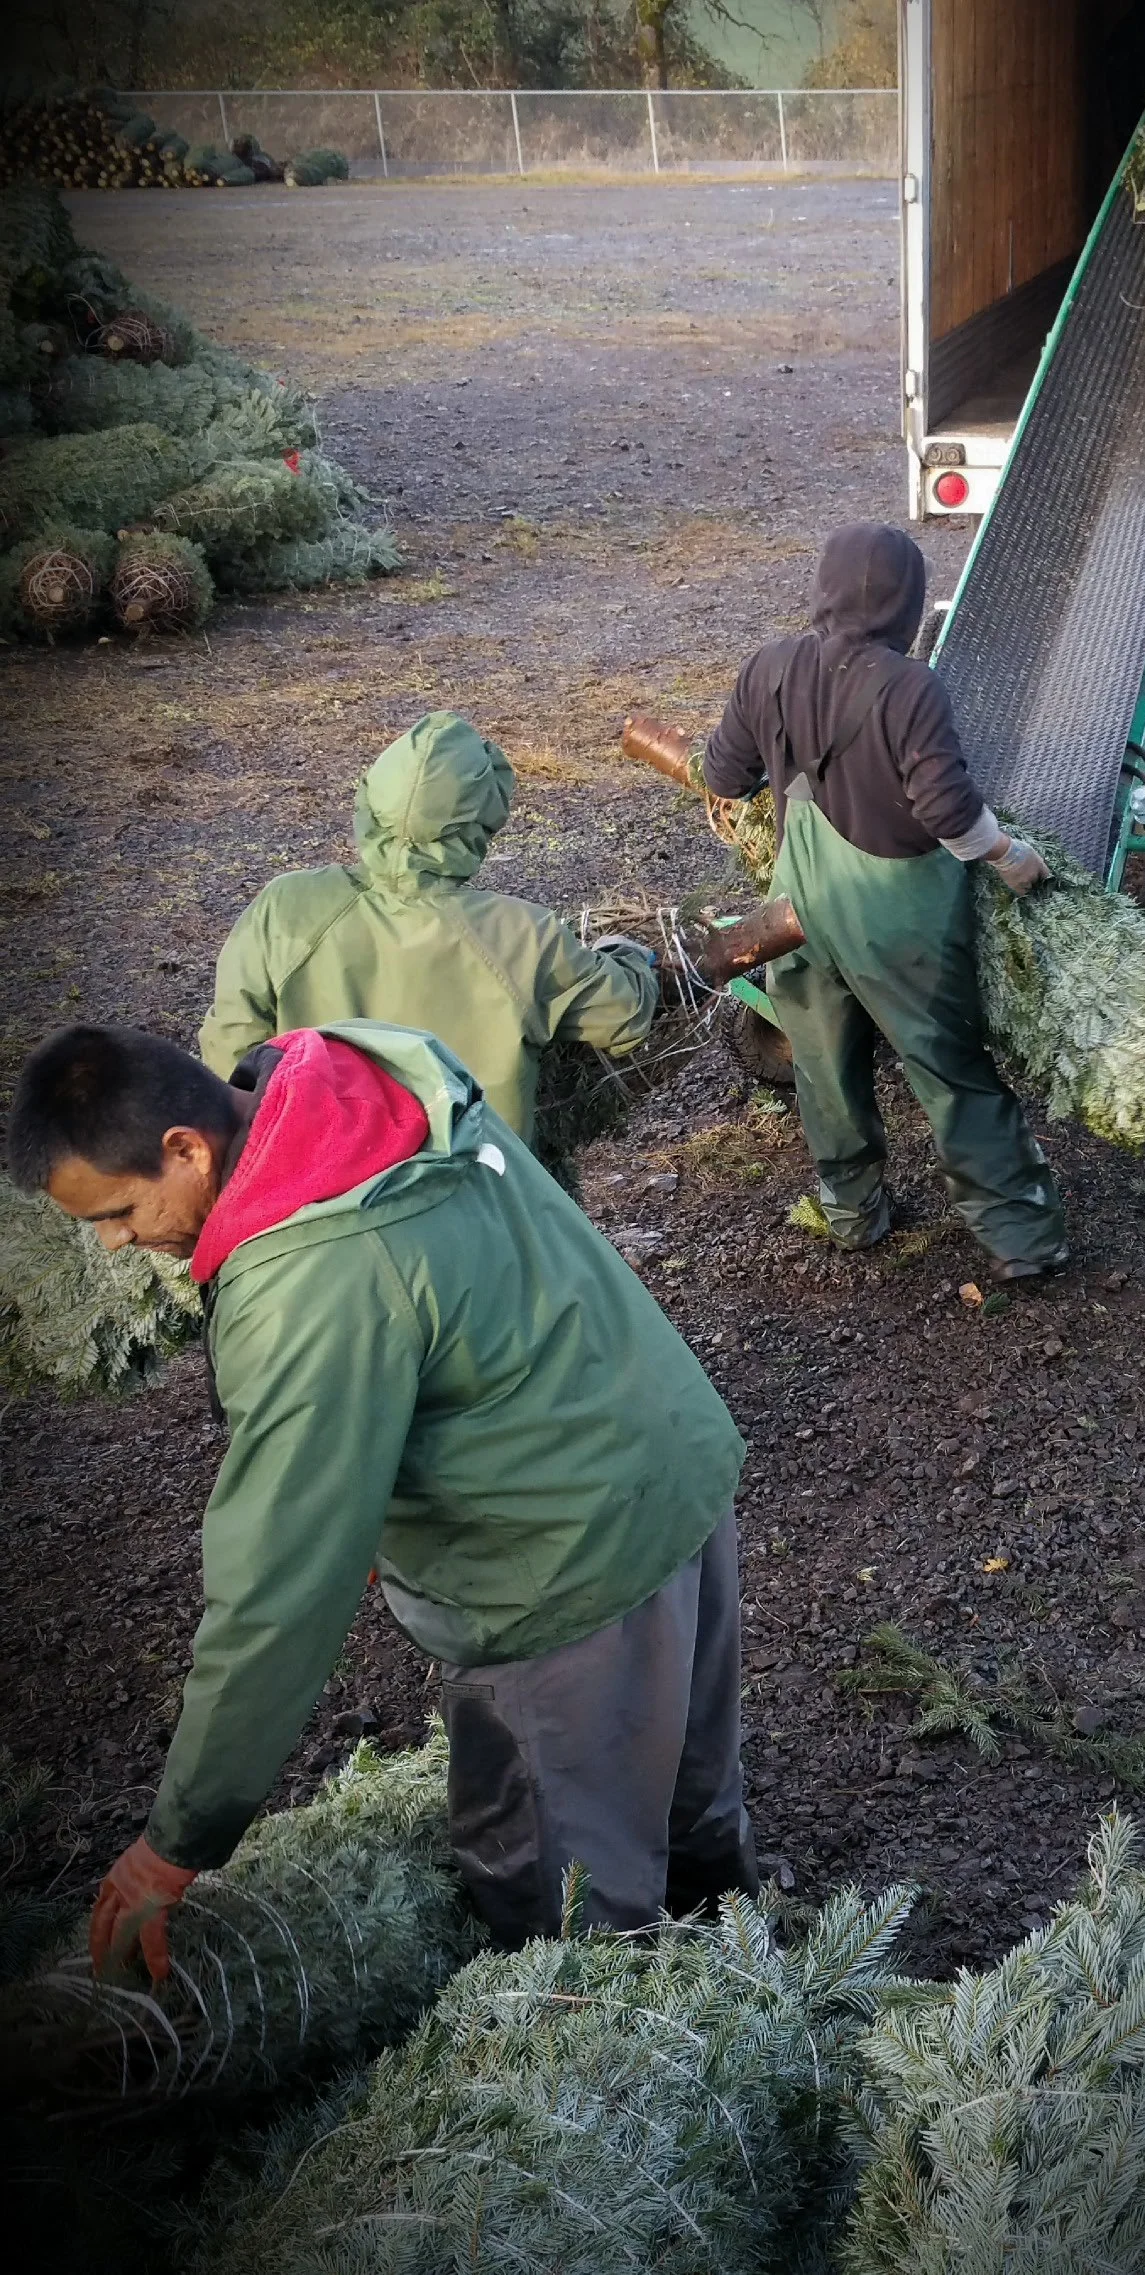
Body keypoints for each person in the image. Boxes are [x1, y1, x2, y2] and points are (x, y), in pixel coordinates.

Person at [8, 1019, 754, 1980]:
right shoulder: (368, 1075)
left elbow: (277, 1593)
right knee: (688, 1786)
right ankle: (748, 1968)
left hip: (555, 1566)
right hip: (669, 1464)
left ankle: (632, 2068)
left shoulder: (310, 1278)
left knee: (567, 1898)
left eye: (114, 1211)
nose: (115, 1244)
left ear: (185, 1149)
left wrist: (177, 1837)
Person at [704, 520, 1068, 1281]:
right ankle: (1019, 1240)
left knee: (823, 1063)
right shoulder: (909, 686)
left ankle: (851, 1213)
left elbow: (725, 773)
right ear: (908, 605)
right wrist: (1007, 856)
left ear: (822, 590)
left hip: (796, 909)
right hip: (897, 913)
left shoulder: (766, 668)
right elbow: (945, 809)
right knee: (947, 1066)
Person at [198, 710, 658, 1150]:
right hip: (473, 1193)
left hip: (314, 1186)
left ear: (370, 802)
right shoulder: (520, 934)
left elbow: (230, 1048)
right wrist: (626, 951)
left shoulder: (285, 906)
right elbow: (624, 1013)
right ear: (481, 823)